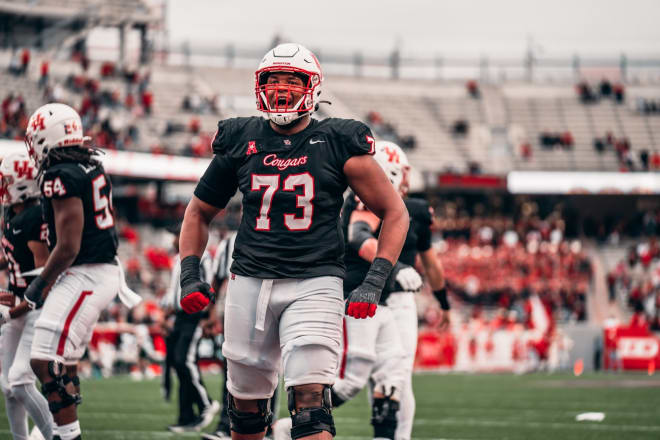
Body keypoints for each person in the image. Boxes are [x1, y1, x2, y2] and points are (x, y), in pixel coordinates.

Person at [178, 42, 409, 440]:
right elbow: (198, 212)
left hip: (314, 281)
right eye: (273, 80)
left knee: (310, 406)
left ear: (312, 88)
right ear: (259, 86)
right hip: (250, 280)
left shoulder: (338, 140)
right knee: (246, 410)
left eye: (292, 80)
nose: (281, 89)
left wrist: (374, 280)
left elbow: (396, 212)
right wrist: (188, 272)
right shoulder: (241, 137)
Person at [273, 141, 450, 440]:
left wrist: (444, 302)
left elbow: (430, 261)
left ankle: (391, 436)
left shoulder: (414, 210)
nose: (407, 180)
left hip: (388, 299)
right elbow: (359, 236)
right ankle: (292, 427)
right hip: (361, 297)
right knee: (353, 380)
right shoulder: (360, 202)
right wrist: (395, 269)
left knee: (396, 376)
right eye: (400, 173)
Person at [23, 102, 140, 440]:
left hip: (87, 271)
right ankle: (58, 432)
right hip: (95, 269)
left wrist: (39, 286)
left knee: (44, 359)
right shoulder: (87, 165)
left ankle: (66, 434)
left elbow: (69, 246)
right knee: (64, 360)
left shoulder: (61, 174)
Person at [0, 153, 54, 440]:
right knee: (8, 386)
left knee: (20, 381)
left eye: (6, 180)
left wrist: (9, 312)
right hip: (17, 301)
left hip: (34, 308)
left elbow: (41, 282)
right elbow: (13, 259)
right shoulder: (15, 214)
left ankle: (56, 435)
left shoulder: (34, 218)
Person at [162, 222, 219, 433]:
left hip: (194, 315)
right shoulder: (179, 259)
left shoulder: (201, 258)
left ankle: (206, 403)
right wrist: (166, 315)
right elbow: (174, 294)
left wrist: (209, 316)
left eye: (176, 235)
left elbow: (210, 285)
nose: (173, 240)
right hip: (179, 316)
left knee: (184, 360)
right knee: (179, 364)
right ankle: (186, 416)